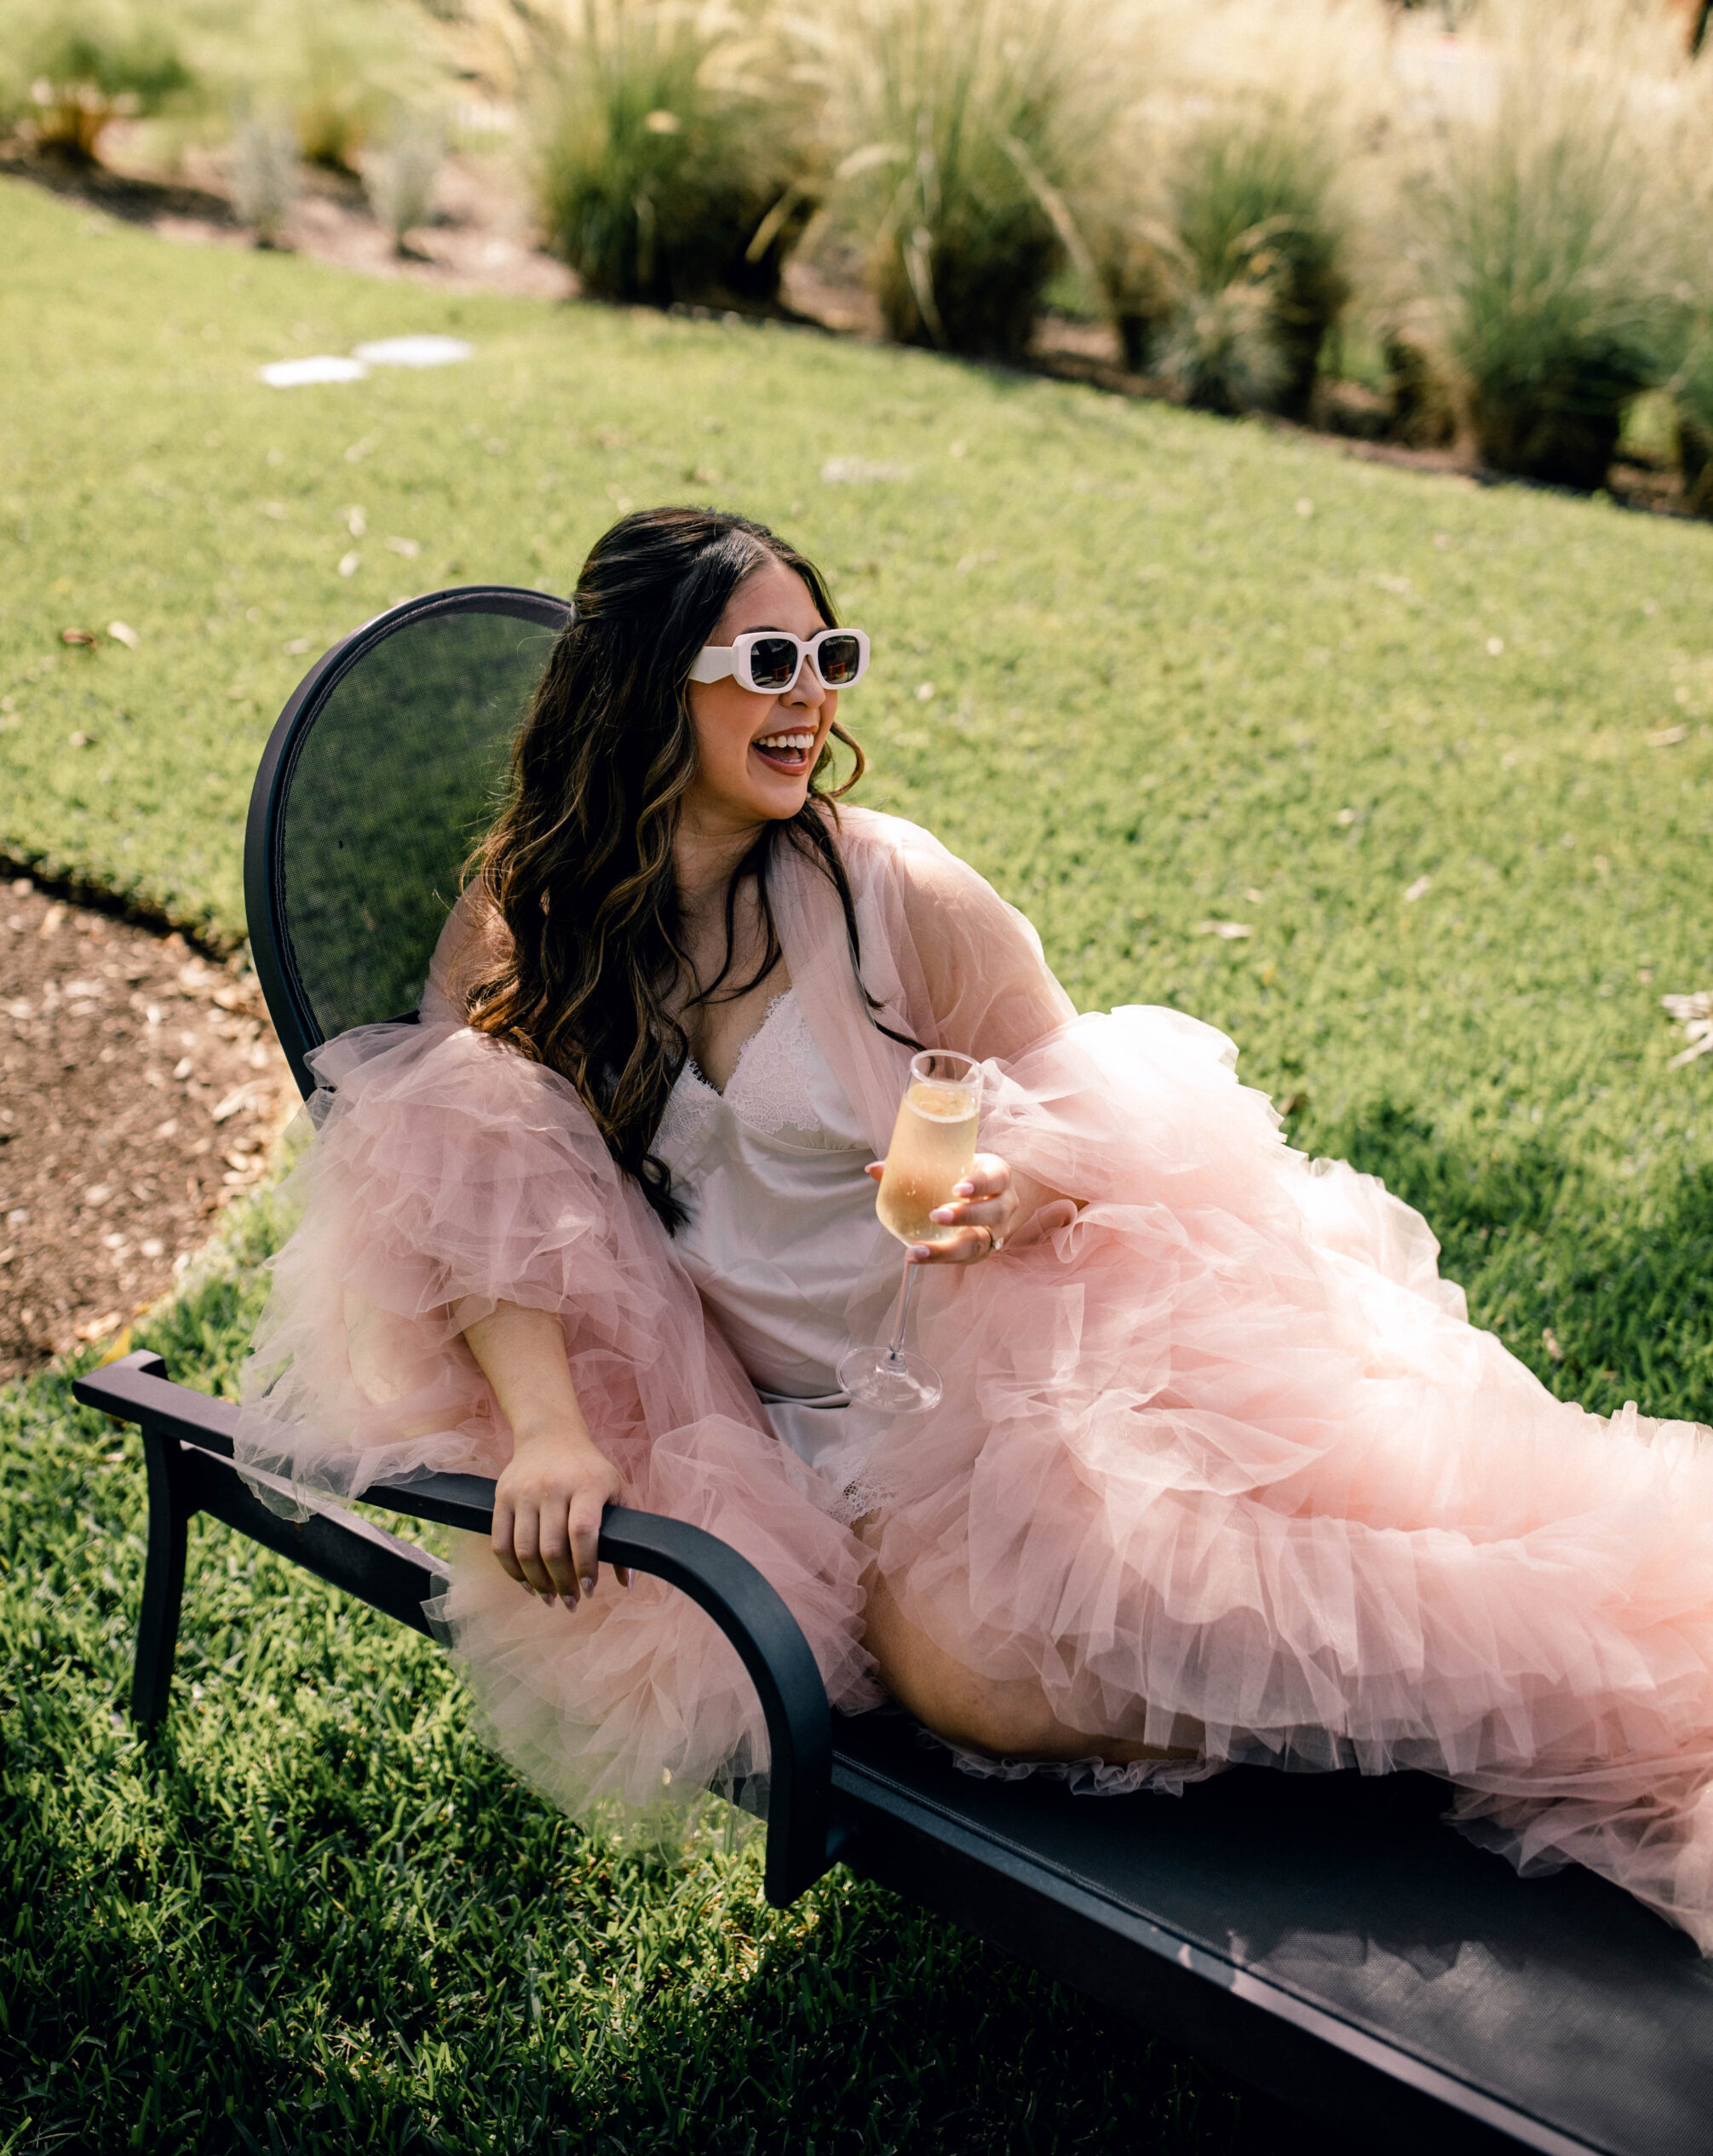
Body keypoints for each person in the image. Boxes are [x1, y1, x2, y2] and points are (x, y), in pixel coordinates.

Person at [239, 506, 1713, 1949]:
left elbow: (1120, 1126)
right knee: (974, 1677)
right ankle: (1391, 1702)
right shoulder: (525, 913)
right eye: (766, 665)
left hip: (1001, 1356)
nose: (809, 697)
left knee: (1112, 1613)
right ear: (645, 682)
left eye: (831, 659)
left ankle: (1580, 1688)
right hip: (780, 1433)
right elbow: (471, 1165)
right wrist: (550, 1431)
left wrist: (1031, 1184)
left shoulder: (897, 892)